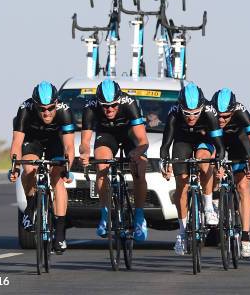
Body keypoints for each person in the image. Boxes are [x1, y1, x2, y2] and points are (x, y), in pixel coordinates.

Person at [79, 78, 150, 242]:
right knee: (101, 164)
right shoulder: (90, 107)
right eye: (105, 106)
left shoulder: (129, 103)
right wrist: (84, 153)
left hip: (129, 134)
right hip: (106, 135)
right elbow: (84, 142)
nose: (109, 109)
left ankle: (139, 217)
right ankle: (105, 214)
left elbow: (142, 140)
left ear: (119, 101)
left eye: (113, 105)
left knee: (139, 167)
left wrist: (137, 153)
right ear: (99, 102)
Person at [159, 83, 225, 256]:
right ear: (181, 108)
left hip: (205, 140)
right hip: (183, 141)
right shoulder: (174, 112)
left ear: (202, 108)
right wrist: (164, 162)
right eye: (187, 114)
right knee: (181, 184)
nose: (191, 118)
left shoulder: (210, 112)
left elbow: (219, 145)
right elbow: (166, 144)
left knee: (204, 160)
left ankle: (209, 206)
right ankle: (182, 232)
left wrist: (218, 161)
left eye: (195, 113)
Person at [8, 81, 75, 253]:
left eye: (50, 108)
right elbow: (17, 143)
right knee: (29, 168)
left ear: (56, 104)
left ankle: (59, 234)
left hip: (55, 142)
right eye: (42, 109)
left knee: (57, 178)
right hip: (33, 140)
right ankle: (31, 206)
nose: (46, 113)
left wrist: (68, 167)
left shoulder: (64, 110)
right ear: (35, 105)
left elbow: (69, 146)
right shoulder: (25, 108)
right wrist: (15, 168)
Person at [211, 88, 250, 258]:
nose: (221, 119)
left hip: (239, 143)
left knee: (243, 187)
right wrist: (214, 166)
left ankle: (246, 238)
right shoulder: (210, 113)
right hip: (218, 141)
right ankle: (214, 200)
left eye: (226, 116)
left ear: (233, 111)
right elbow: (207, 147)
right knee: (209, 166)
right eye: (218, 115)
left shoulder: (242, 112)